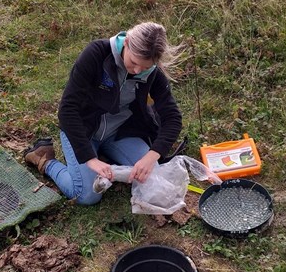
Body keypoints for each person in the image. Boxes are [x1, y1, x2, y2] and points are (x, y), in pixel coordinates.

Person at [24, 22, 183, 205]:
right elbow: (67, 110)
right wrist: (90, 159)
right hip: (85, 131)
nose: (138, 71)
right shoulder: (96, 54)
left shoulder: (153, 73)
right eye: (134, 62)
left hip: (121, 133)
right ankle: (44, 159)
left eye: (146, 67)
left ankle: (107, 158)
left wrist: (151, 156)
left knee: (152, 177)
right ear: (127, 42)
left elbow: (173, 118)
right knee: (87, 195)